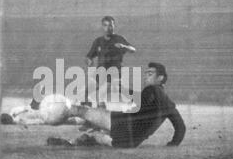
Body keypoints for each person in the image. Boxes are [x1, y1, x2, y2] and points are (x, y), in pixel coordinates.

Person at [53, 63, 186, 148]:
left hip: (120, 125)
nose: (146, 77)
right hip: (129, 142)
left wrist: (119, 89)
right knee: (97, 135)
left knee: (80, 111)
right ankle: (78, 140)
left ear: (161, 78)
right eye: (146, 74)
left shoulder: (153, 90)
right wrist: (174, 144)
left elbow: (138, 99)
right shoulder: (169, 104)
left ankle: (53, 115)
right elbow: (181, 127)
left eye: (150, 74)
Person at [84, 16, 136, 107]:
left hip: (114, 72)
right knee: (87, 91)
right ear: (102, 27)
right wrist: (89, 62)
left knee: (102, 94)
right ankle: (88, 111)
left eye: (110, 25)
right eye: (105, 25)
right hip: (100, 72)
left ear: (114, 26)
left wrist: (124, 46)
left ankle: (101, 114)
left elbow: (133, 49)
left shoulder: (119, 39)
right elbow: (88, 57)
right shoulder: (98, 41)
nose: (108, 28)